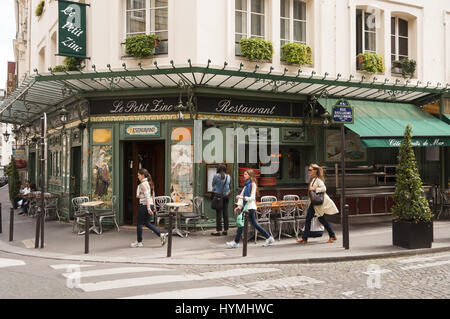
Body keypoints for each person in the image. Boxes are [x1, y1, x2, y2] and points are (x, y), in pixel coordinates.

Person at [226, 170, 275, 248]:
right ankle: (269, 238)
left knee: (242, 225)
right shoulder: (246, 185)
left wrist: (241, 197)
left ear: (250, 175)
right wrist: (238, 206)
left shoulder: (253, 184)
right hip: (246, 208)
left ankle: (236, 242)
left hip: (250, 208)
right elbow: (241, 196)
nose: (244, 175)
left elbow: (252, 198)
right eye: (244, 174)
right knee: (252, 224)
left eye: (245, 174)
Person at [297, 164, 338, 244]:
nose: (309, 171)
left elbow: (324, 188)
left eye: (310, 170)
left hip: (318, 203)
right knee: (316, 219)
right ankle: (332, 235)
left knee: (311, 219)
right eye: (308, 170)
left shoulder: (318, 180)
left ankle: (305, 238)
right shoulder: (313, 179)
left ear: (315, 170)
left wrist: (315, 189)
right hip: (315, 203)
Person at [131, 169, 168, 248]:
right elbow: (153, 196)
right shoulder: (150, 183)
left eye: (138, 175)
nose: (137, 177)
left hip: (144, 205)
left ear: (142, 175)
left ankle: (139, 242)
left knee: (139, 223)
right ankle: (161, 234)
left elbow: (148, 197)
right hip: (149, 205)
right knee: (147, 223)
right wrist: (153, 206)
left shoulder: (143, 184)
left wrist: (148, 208)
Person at [211, 164, 231, 236]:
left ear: (218, 169)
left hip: (218, 196)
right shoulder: (228, 176)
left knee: (219, 213)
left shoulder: (216, 176)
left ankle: (218, 230)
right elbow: (229, 186)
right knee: (225, 213)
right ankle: (225, 230)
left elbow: (213, 185)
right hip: (226, 196)